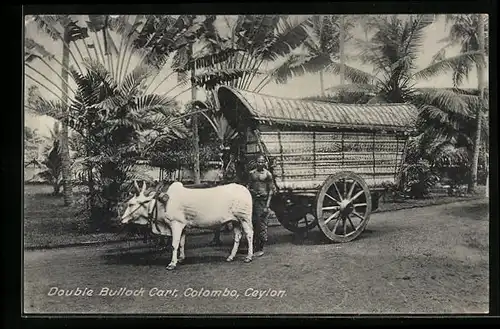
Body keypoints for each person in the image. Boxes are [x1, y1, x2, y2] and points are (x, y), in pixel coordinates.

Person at [247, 154, 274, 257]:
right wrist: (252, 191)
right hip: (253, 201)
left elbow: (271, 190)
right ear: (256, 162)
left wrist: (267, 206)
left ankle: (260, 248)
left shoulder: (268, 175)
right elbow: (248, 186)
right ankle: (254, 246)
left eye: (262, 162)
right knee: (253, 223)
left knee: (262, 224)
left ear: (265, 163)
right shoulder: (252, 174)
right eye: (258, 161)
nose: (260, 163)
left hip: (263, 201)